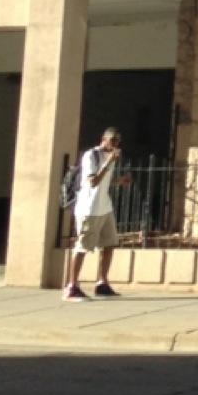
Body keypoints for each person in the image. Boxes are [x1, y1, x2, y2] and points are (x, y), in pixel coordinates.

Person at [65, 127, 123, 300]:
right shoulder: (91, 155)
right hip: (89, 209)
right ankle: (72, 286)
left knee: (110, 244)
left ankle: (102, 283)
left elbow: (104, 182)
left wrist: (119, 182)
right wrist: (108, 162)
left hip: (105, 207)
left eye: (118, 141)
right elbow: (93, 181)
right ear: (103, 139)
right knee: (82, 246)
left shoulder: (111, 157)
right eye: (113, 139)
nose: (115, 143)